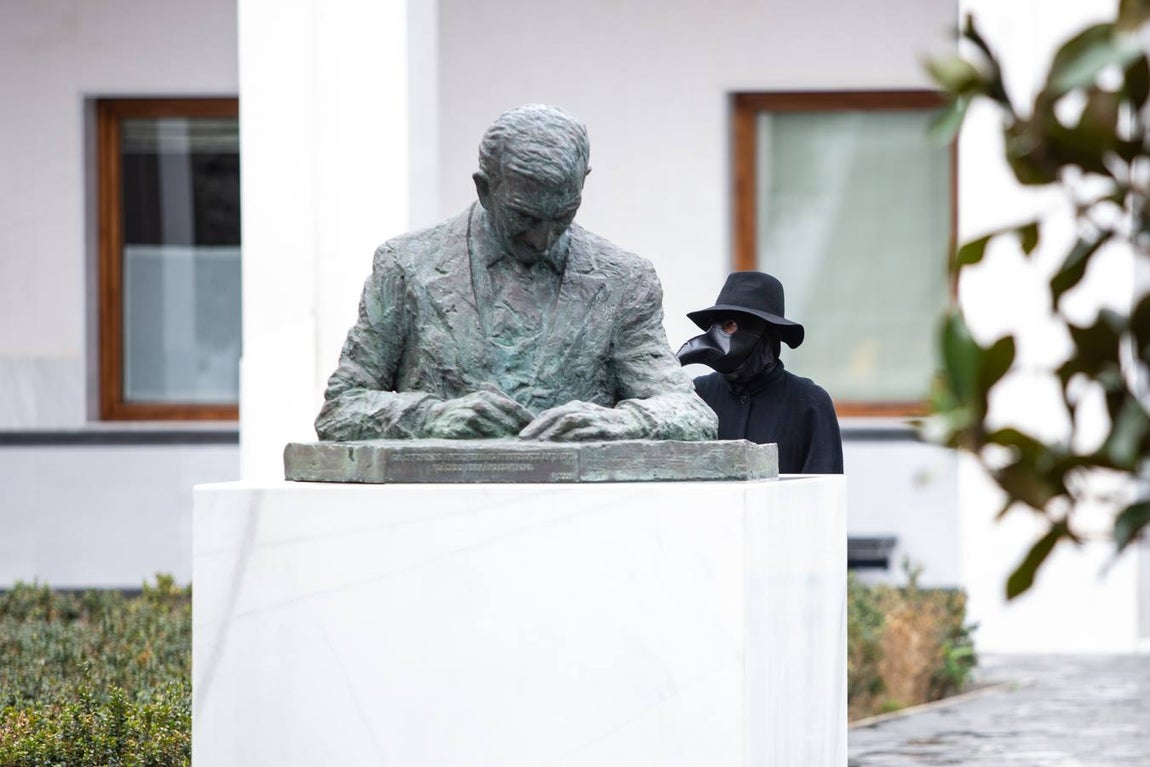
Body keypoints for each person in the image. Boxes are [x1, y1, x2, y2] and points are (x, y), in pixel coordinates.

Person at [315, 104, 716, 442]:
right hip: (439, 503)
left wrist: (619, 423)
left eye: (563, 215)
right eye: (524, 216)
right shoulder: (406, 265)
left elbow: (690, 412)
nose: (543, 238)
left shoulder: (624, 280)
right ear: (484, 189)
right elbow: (341, 409)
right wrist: (431, 417)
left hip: (573, 505)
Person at [677, 271, 843, 473]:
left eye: (730, 325)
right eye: (715, 325)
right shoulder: (698, 395)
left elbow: (824, 484)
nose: (716, 337)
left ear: (769, 334)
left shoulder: (808, 402)